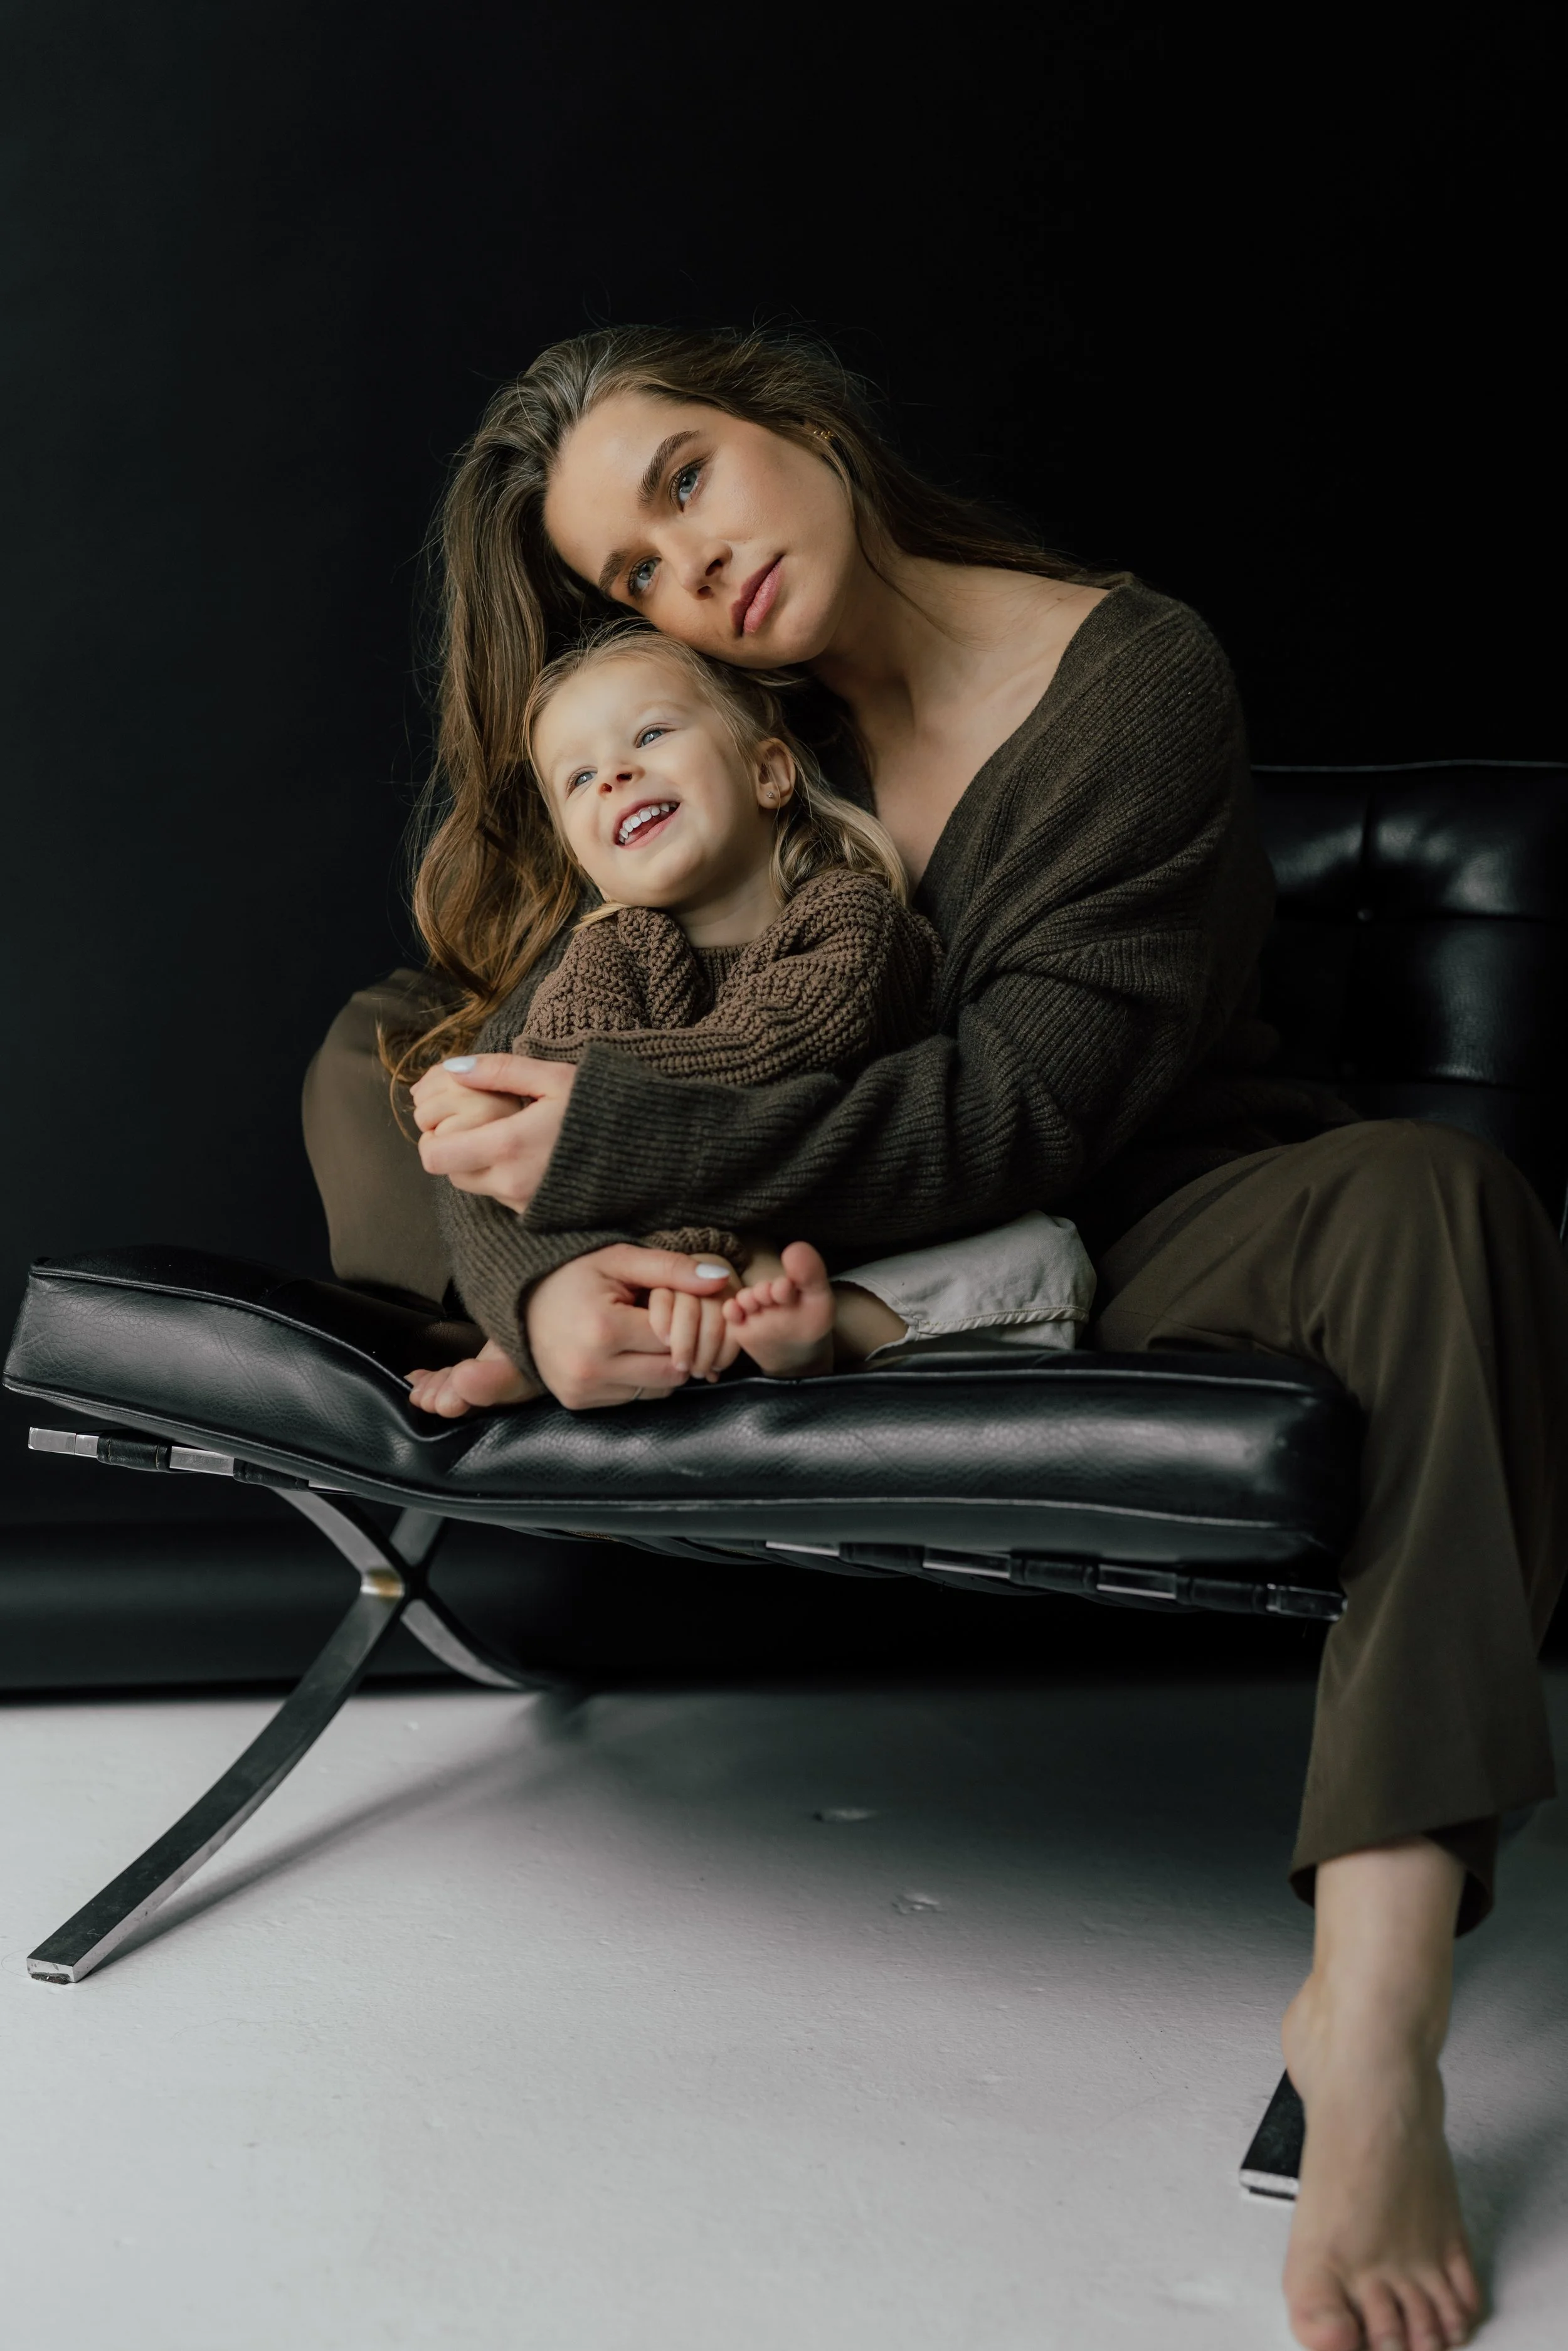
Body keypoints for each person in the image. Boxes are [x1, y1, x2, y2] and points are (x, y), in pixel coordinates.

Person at [304, 325, 1568, 2351]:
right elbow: (469, 1026)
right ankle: (602, 1311)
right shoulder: (719, 725)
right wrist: (544, 1277)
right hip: (764, 1240)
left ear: (798, 419)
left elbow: (1025, 1115)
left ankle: (1380, 2007)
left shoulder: (1135, 676)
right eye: (628, 575)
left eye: (689, 483)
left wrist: (613, 1140)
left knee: (1448, 1208)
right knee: (384, 1051)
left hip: (1134, 1222)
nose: (682, 576)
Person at [398, 618, 1093, 1413]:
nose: (616, 775)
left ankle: (828, 1333)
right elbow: (557, 1083)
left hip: (858, 1243)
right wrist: (500, 1106)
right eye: (579, 779)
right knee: (553, 1183)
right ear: (585, 860)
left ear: (768, 773)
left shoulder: (847, 911)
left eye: (650, 734)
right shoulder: (612, 952)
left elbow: (782, 1043)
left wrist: (601, 1113)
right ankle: (682, 1330)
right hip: (686, 1257)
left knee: (1047, 1255)